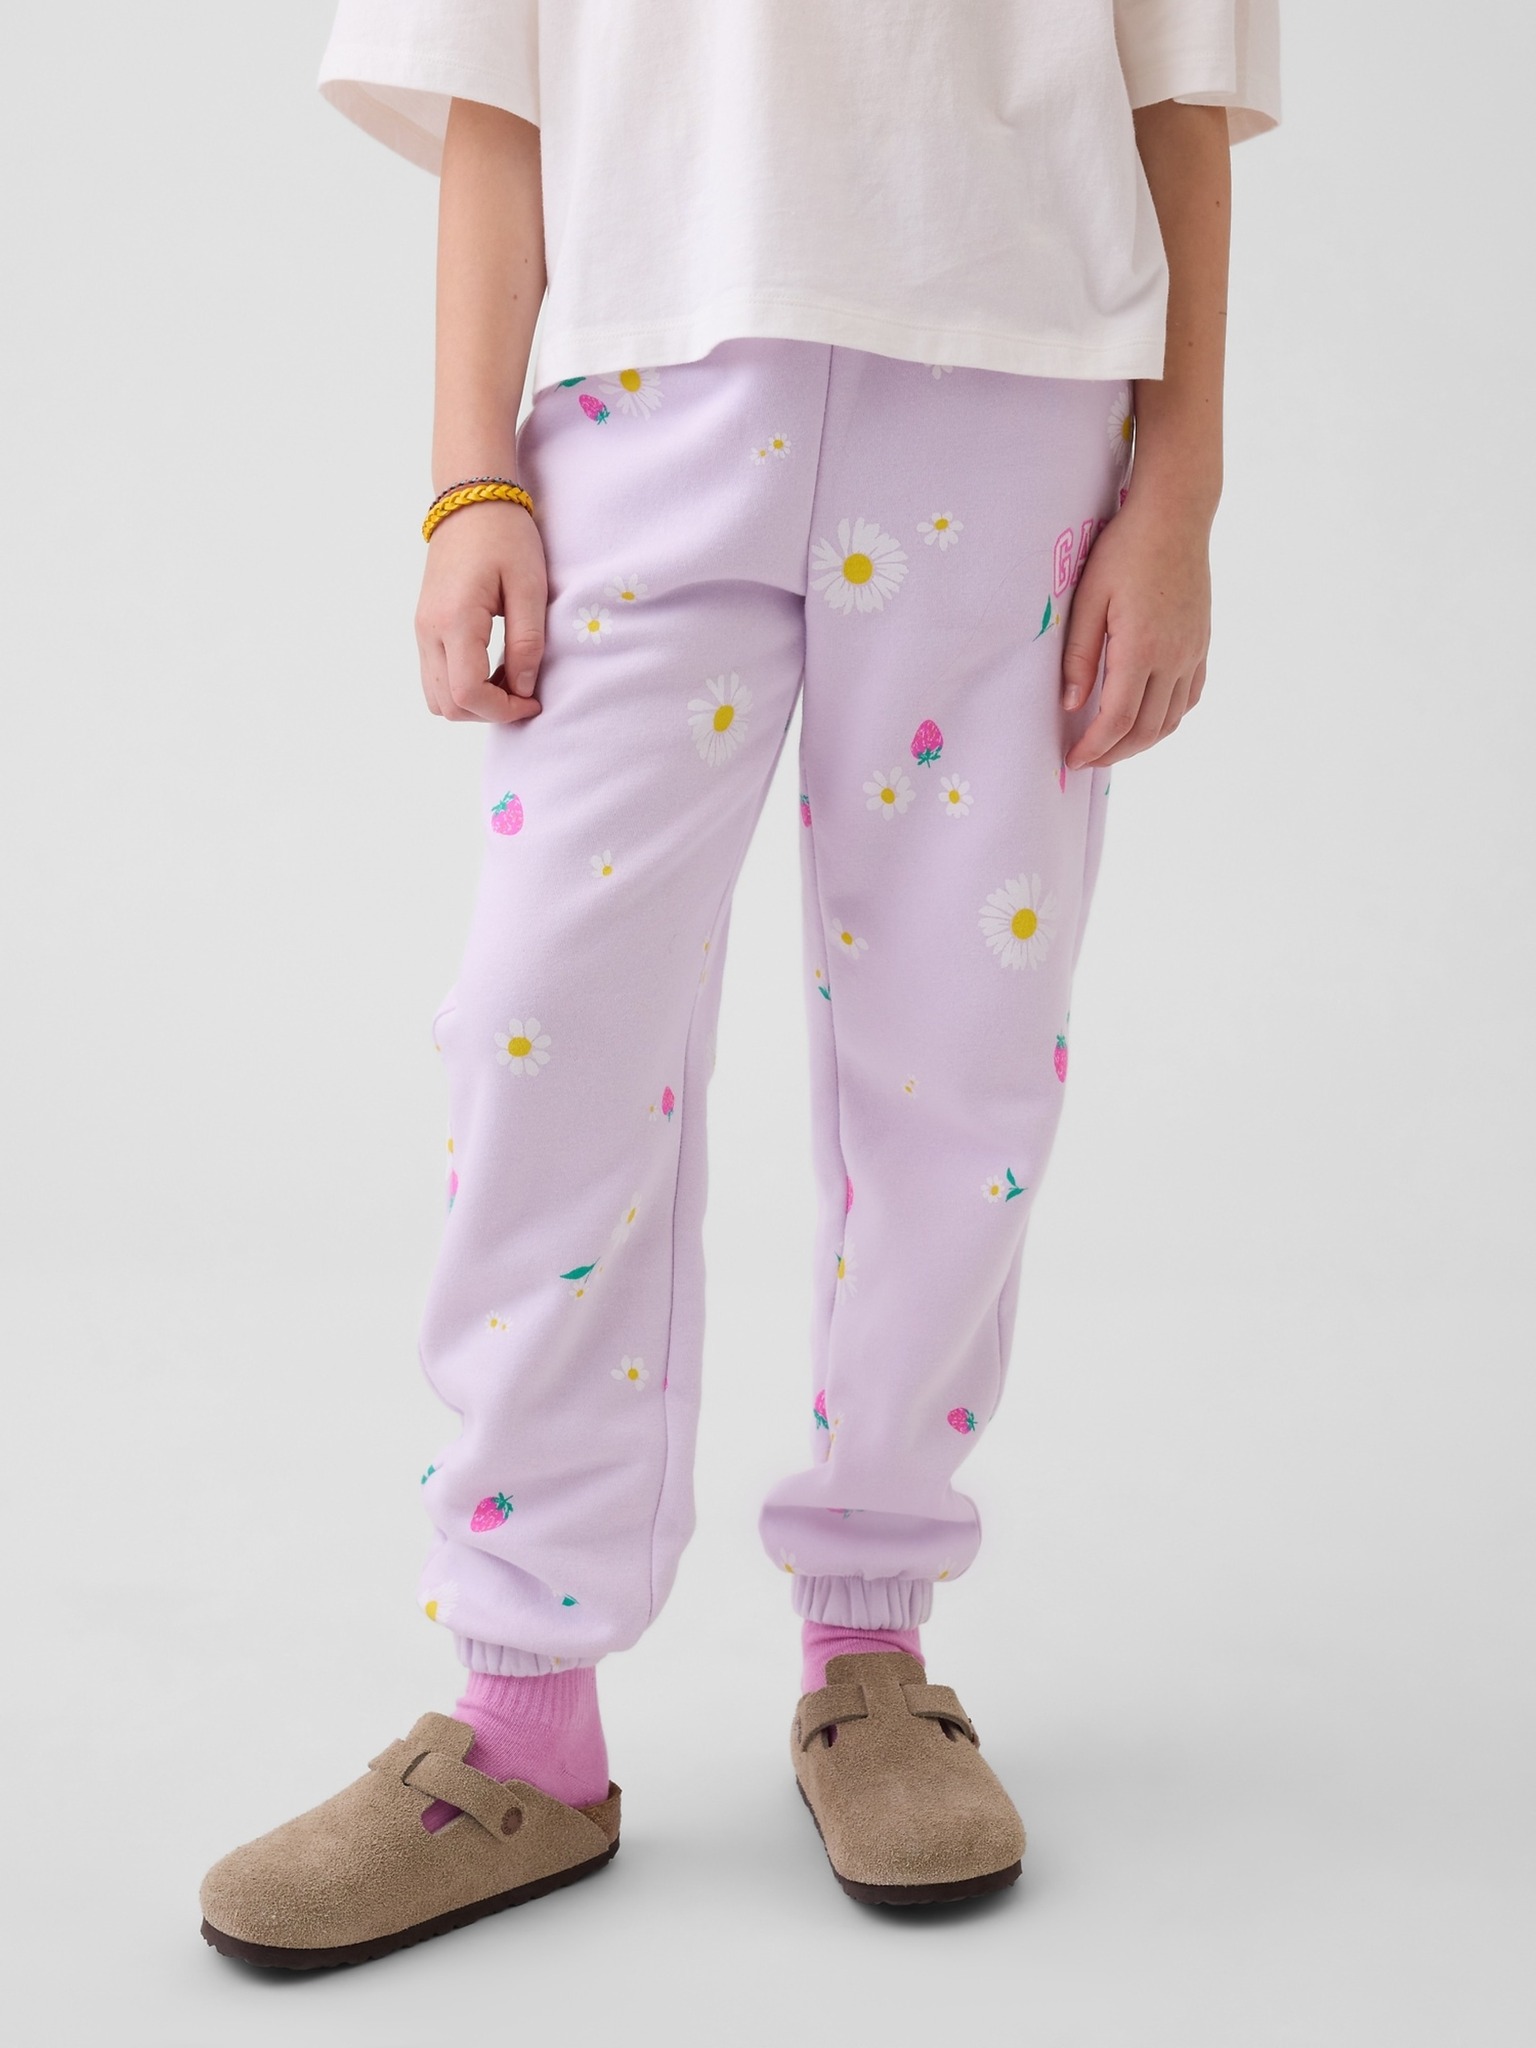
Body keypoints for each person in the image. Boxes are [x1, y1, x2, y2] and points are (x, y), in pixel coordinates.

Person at [199, 0, 1280, 1967]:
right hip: (643, 385)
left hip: (1018, 384)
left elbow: (1179, 89)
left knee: (956, 1063)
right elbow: (494, 80)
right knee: (541, 1029)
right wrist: (468, 476)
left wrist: (1183, 489)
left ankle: (872, 1643)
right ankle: (521, 1716)